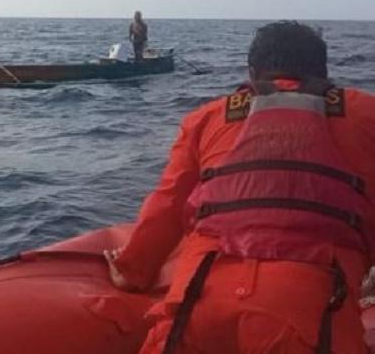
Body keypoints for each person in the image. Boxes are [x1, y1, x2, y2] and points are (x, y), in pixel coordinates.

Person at [107, 21, 375, 353]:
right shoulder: (367, 115)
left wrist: (132, 271)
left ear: (251, 74)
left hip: (197, 302)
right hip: (314, 311)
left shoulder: (206, 118)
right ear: (323, 72)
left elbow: (168, 203)